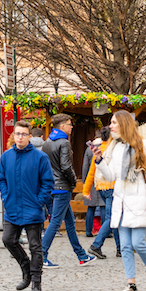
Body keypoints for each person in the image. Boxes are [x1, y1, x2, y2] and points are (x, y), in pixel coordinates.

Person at [91, 111, 146, 291]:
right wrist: (99, 160)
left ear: (124, 124)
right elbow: (112, 176)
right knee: (124, 246)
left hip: (139, 199)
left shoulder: (142, 144)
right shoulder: (116, 147)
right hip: (121, 201)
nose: (111, 126)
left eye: (114, 122)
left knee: (139, 243)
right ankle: (131, 286)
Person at [0, 120, 54, 291]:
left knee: (35, 246)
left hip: (33, 208)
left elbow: (48, 182)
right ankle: (26, 269)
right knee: (8, 240)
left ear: (30, 136)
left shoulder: (40, 158)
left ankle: (36, 282)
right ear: (13, 135)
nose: (20, 137)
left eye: (23, 134)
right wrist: (6, 197)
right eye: (17, 134)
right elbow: (2, 180)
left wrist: (40, 201)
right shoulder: (6, 156)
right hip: (12, 207)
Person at [40, 113, 96, 268]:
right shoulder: (64, 142)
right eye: (70, 124)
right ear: (63, 126)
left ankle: (82, 255)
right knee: (56, 222)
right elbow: (66, 166)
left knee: (69, 222)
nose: (72, 127)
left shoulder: (48, 142)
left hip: (51, 186)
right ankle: (41, 255)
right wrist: (72, 181)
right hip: (61, 188)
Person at [84, 126, 121, 258]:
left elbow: (91, 171)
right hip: (112, 186)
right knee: (112, 218)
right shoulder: (114, 149)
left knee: (115, 217)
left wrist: (86, 189)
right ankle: (96, 245)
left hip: (100, 187)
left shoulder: (99, 148)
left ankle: (120, 248)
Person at [81, 132, 105, 237]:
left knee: (91, 207)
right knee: (103, 206)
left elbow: (85, 166)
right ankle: (106, 232)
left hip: (91, 180)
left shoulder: (89, 149)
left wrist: (84, 181)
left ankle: (88, 231)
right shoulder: (106, 147)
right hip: (103, 179)